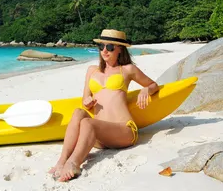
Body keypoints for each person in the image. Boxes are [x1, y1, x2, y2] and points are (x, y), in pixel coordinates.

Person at [48, 29, 159, 182]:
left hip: (123, 131)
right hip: (99, 138)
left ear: (120, 49)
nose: (105, 51)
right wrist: (87, 102)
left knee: (88, 122)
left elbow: (154, 85)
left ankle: (73, 163)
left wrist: (146, 89)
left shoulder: (127, 70)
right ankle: (62, 161)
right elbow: (85, 100)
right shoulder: (92, 71)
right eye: (102, 47)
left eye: (110, 47)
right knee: (78, 112)